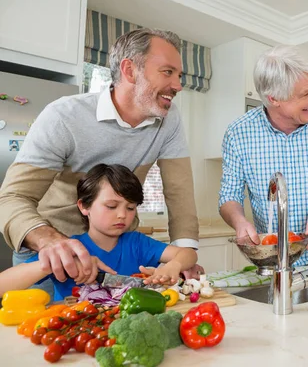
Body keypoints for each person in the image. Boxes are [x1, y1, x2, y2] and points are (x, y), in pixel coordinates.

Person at [0, 28, 201, 299]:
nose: (178, 85)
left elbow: (180, 192)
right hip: (49, 258)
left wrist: (183, 259)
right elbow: (12, 197)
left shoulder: (169, 119)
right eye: (167, 72)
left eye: (179, 76)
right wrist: (53, 242)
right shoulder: (64, 116)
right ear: (129, 70)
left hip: (116, 253)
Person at [219, 45, 308, 272]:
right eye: (305, 94)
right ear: (274, 99)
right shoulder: (238, 133)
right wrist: (239, 222)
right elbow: (229, 196)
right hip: (274, 266)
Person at [0, 164, 198, 300]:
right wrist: (57, 264)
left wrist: (174, 265)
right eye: (111, 206)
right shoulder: (71, 249)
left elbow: (188, 254)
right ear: (84, 207)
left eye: (130, 208)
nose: (122, 215)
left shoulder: (137, 243)